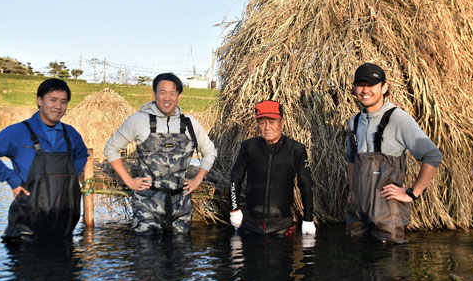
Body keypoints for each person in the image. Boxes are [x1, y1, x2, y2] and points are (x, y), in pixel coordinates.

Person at [0, 78, 88, 243]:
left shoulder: (71, 134)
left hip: (63, 229)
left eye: (63, 102)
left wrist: (71, 175)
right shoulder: (18, 131)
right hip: (26, 230)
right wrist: (13, 180)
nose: (58, 106)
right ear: (40, 101)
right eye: (53, 100)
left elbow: (82, 155)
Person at [104, 72, 217, 234]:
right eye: (162, 92)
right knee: (148, 254)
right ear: (154, 94)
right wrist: (129, 181)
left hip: (181, 205)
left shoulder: (190, 124)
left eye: (172, 93)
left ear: (179, 96)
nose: (167, 98)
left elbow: (210, 152)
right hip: (147, 205)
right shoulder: (139, 120)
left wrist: (197, 180)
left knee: (180, 254)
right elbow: (111, 149)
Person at [346, 63, 443, 243]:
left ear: (384, 88)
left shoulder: (399, 119)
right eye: (360, 84)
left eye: (371, 85)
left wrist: (412, 193)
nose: (365, 90)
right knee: (356, 262)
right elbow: (351, 159)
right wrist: (353, 190)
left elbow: (433, 155)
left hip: (387, 213)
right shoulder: (355, 121)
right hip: (358, 213)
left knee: (389, 264)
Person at [228, 100, 316, 235]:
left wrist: (308, 219)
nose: (267, 127)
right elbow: (235, 178)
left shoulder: (296, 149)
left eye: (272, 122)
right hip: (250, 225)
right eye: (262, 123)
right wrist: (234, 210)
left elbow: (306, 184)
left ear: (282, 123)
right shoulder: (249, 147)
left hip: (282, 227)